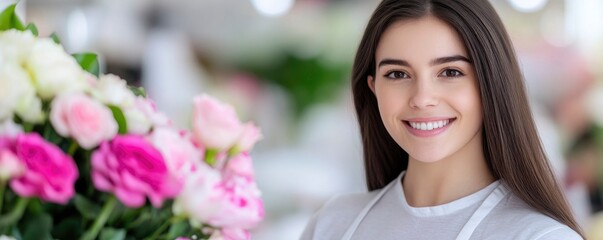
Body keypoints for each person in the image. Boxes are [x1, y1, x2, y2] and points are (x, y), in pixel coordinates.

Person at [300, 0, 585, 239]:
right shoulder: (332, 224)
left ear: (492, 83)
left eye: (450, 72)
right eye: (397, 74)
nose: (422, 98)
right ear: (373, 88)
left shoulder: (539, 236)